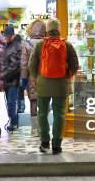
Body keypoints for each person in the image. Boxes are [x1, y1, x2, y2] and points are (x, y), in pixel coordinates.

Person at [28, 19, 79, 154]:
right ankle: (57, 145)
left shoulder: (40, 45)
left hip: (43, 85)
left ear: (47, 30)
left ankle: (45, 142)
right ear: (59, 29)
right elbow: (75, 64)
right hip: (61, 85)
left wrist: (35, 77)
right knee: (59, 114)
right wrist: (67, 75)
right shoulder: (67, 45)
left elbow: (31, 64)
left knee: (42, 113)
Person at [20, 19, 46, 136]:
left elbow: (24, 64)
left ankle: (34, 129)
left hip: (32, 77)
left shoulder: (27, 44)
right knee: (44, 102)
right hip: (46, 77)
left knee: (33, 102)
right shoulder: (47, 43)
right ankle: (43, 127)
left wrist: (23, 79)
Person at [2, 25, 23, 132]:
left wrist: (4, 74)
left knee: (11, 103)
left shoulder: (17, 45)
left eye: (8, 36)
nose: (6, 38)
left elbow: (16, 66)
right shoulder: (7, 45)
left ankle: (14, 122)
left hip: (14, 80)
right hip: (7, 79)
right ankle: (13, 121)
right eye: (5, 36)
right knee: (10, 103)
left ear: (12, 35)